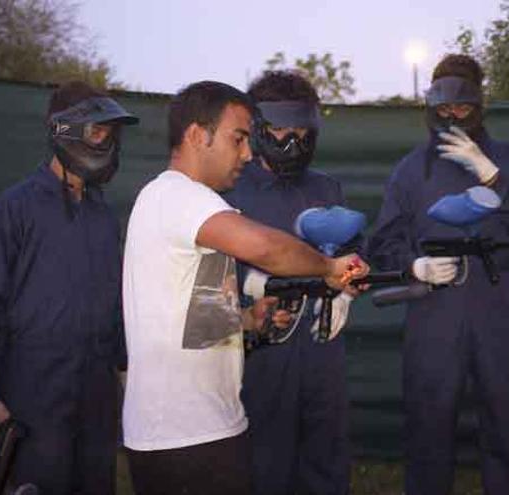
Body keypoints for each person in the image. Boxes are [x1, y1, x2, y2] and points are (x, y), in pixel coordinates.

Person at [121, 80, 367, 495]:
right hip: (183, 435)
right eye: (238, 139)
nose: (247, 153)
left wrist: (250, 320)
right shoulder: (179, 196)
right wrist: (327, 268)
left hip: (212, 424)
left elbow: (196, 310)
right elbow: (264, 246)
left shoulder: (191, 202)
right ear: (199, 136)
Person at [366, 54, 509, 495]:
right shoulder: (411, 169)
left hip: (496, 301)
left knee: (504, 421)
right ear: (431, 104)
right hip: (433, 309)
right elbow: (383, 242)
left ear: (479, 104)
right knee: (428, 424)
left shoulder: (508, 158)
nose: (452, 118)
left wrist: (491, 174)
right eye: (443, 109)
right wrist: (415, 265)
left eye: (462, 108)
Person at [0, 81, 139, 493]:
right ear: (64, 131)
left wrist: (124, 369)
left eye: (112, 133)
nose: (107, 142)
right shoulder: (13, 209)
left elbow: (114, 303)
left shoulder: (103, 216)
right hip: (32, 392)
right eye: (98, 131)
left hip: (96, 391)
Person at [223, 70, 354, 495]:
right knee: (264, 468)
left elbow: (354, 253)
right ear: (258, 129)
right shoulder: (231, 189)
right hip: (260, 353)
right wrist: (251, 290)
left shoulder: (326, 187)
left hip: (321, 353)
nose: (292, 142)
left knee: (326, 463)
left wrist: (350, 283)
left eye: (301, 131)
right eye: (280, 131)